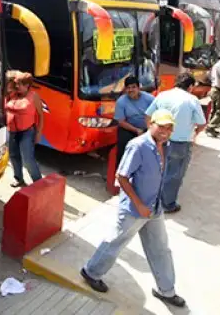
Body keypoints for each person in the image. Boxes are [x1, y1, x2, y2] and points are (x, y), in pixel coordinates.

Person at [80, 109, 186, 308]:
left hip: (154, 207)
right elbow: (121, 177)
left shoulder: (167, 145)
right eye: (161, 126)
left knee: (160, 249)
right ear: (150, 124)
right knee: (115, 242)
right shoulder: (138, 146)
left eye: (169, 127)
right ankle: (91, 272)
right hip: (134, 209)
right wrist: (139, 204)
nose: (165, 130)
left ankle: (166, 290)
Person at [145, 73, 206, 213]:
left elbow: (148, 115)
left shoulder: (162, 95)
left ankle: (151, 199)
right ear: (190, 86)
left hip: (158, 140)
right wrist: (195, 133)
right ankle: (167, 204)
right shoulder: (192, 100)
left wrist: (151, 133)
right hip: (180, 142)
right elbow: (202, 123)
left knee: (157, 170)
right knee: (174, 174)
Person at [5, 72, 44, 187]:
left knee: (28, 159)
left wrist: (38, 133)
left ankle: (38, 183)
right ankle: (18, 178)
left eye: (19, 85)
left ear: (27, 85)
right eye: (16, 84)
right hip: (12, 131)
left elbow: (41, 115)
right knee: (13, 155)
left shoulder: (33, 96)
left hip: (26, 131)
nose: (17, 87)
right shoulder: (13, 94)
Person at [114, 76, 155, 167]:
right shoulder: (121, 101)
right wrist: (136, 130)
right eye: (128, 88)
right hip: (129, 128)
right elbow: (120, 121)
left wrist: (149, 129)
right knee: (123, 147)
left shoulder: (150, 99)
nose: (131, 90)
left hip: (148, 128)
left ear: (138, 87)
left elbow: (157, 114)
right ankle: (121, 172)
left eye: (133, 87)